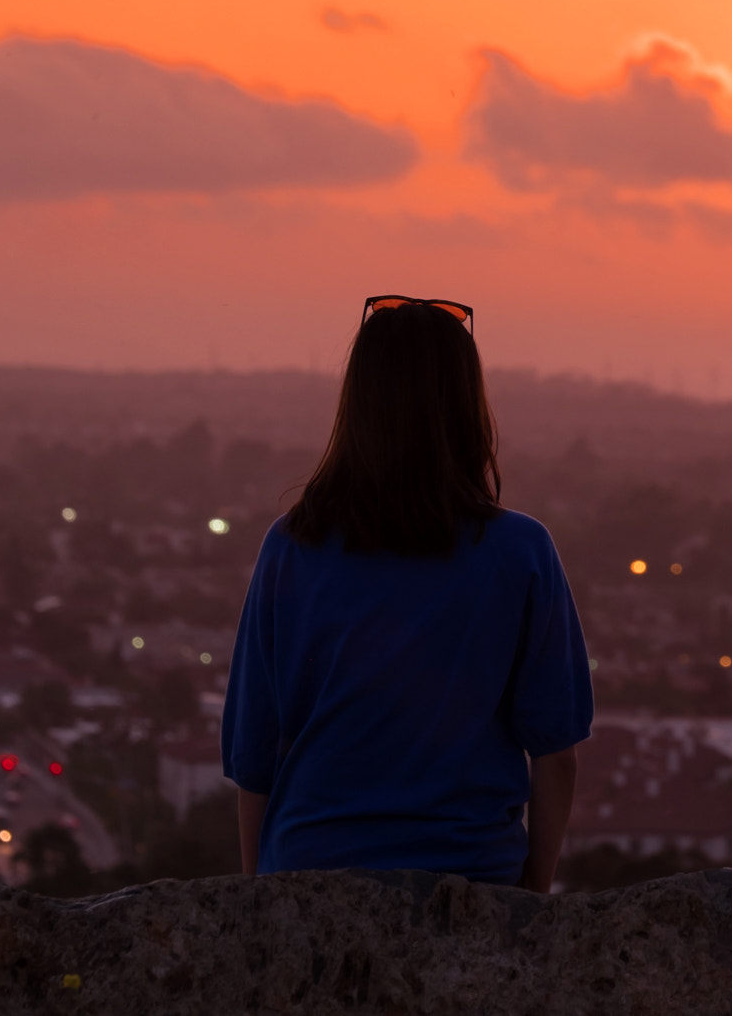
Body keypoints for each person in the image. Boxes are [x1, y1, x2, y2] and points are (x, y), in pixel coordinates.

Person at [221, 295, 592, 890]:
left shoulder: (292, 547)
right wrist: (532, 900)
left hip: (310, 874)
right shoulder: (521, 552)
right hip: (470, 877)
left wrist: (256, 902)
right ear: (466, 407)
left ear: (359, 405)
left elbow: (253, 756)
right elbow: (556, 756)